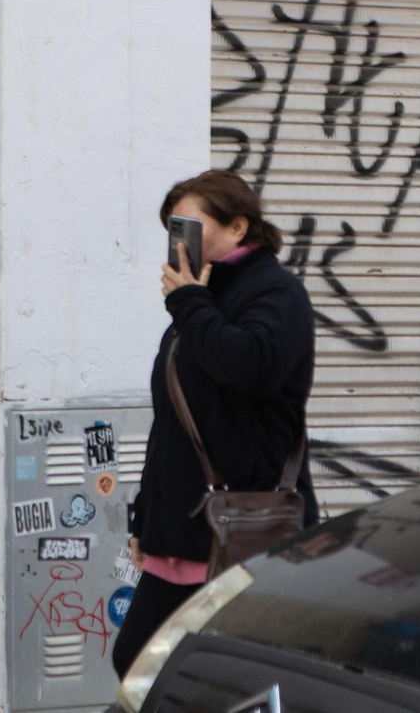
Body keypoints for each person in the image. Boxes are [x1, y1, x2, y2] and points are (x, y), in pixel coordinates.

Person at [110, 170, 317, 679]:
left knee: (220, 678)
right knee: (136, 662)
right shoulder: (201, 300)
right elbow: (173, 424)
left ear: (238, 227)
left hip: (242, 532)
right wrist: (146, 517)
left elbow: (250, 366)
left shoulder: (276, 294)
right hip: (181, 533)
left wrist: (189, 303)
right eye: (172, 229)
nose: (178, 241)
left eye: (189, 227)